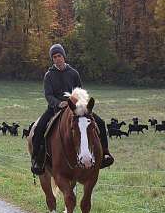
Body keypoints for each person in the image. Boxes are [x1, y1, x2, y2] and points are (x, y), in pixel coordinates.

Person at [31, 44, 114, 175]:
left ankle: (105, 154)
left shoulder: (73, 73)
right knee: (39, 128)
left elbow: (81, 91)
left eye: (59, 56)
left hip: (76, 109)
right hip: (55, 109)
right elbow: (48, 95)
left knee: (101, 123)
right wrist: (59, 103)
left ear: (64, 56)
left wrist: (80, 104)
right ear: (52, 59)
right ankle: (37, 159)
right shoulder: (49, 75)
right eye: (54, 57)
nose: (57, 59)